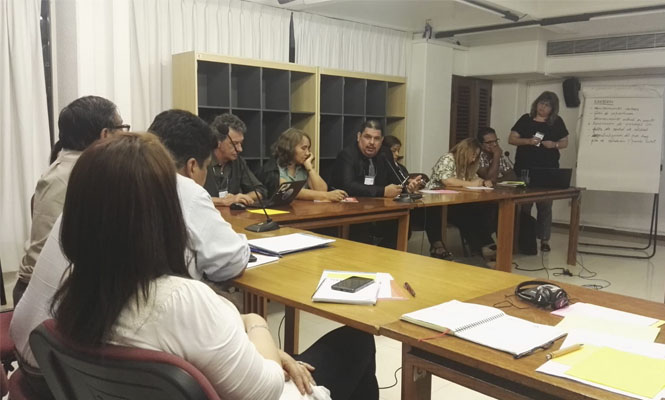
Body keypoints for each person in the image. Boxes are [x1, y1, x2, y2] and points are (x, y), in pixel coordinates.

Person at [14, 133, 379, 400]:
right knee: (357, 341)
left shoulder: (75, 293)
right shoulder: (179, 300)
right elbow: (267, 389)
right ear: (163, 212)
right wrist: (256, 323)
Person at [12, 95, 126, 306]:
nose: (125, 136)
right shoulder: (83, 174)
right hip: (52, 296)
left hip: (43, 290)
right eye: (121, 128)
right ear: (105, 135)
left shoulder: (64, 166)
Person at [148, 109, 250, 280]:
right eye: (207, 166)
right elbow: (232, 262)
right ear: (192, 166)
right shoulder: (184, 189)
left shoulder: (123, 177)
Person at [332, 120, 422, 248]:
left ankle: (383, 256)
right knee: (362, 232)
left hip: (379, 209)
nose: (372, 142)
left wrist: (408, 187)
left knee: (402, 227)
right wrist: (382, 191)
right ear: (358, 137)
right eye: (367, 137)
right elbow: (348, 186)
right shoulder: (347, 155)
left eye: (376, 139)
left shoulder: (384, 153)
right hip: (353, 211)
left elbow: (395, 179)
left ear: (382, 140)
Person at [508, 91, 569, 252]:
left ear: (553, 108)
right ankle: (522, 238)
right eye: (541, 103)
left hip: (548, 169)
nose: (543, 107)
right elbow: (512, 139)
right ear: (536, 103)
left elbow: (565, 142)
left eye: (547, 105)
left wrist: (554, 145)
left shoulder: (556, 122)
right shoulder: (525, 119)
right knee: (524, 205)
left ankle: (544, 239)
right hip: (525, 169)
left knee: (545, 206)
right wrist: (528, 141)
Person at [426, 138, 496, 261]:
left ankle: (484, 244)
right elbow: (447, 181)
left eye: (476, 156)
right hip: (438, 203)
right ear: (465, 151)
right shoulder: (448, 158)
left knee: (482, 208)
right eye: (473, 155)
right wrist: (471, 184)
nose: (474, 159)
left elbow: (474, 179)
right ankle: (482, 246)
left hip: (458, 202)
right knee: (467, 213)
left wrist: (484, 182)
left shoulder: (468, 165)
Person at [382, 136, 450, 259]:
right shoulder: (383, 167)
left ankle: (437, 245)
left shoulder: (401, 168)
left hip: (407, 205)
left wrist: (414, 186)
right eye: (393, 151)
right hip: (391, 207)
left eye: (398, 150)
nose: (397, 154)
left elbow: (406, 186)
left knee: (432, 209)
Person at [203, 113, 268, 206]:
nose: (240, 149)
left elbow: (261, 191)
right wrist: (222, 201)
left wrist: (242, 197)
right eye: (234, 144)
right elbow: (190, 197)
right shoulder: (200, 162)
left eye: (241, 143)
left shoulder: (238, 161)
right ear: (217, 142)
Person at [268, 127, 347, 201]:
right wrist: (327, 196)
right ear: (289, 148)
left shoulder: (303, 167)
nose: (308, 153)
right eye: (303, 148)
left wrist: (310, 168)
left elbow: (322, 190)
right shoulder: (273, 168)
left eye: (308, 148)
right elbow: (289, 191)